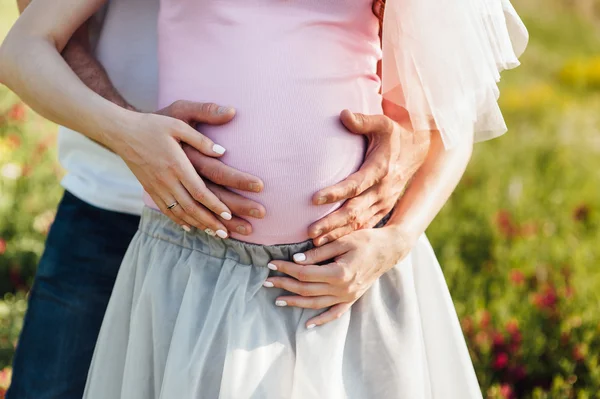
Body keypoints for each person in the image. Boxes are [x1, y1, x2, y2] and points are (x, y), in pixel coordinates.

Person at [0, 0, 528, 398]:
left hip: (345, 278)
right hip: (180, 265)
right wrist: (129, 133)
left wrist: (398, 236)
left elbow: (450, 108)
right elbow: (28, 42)